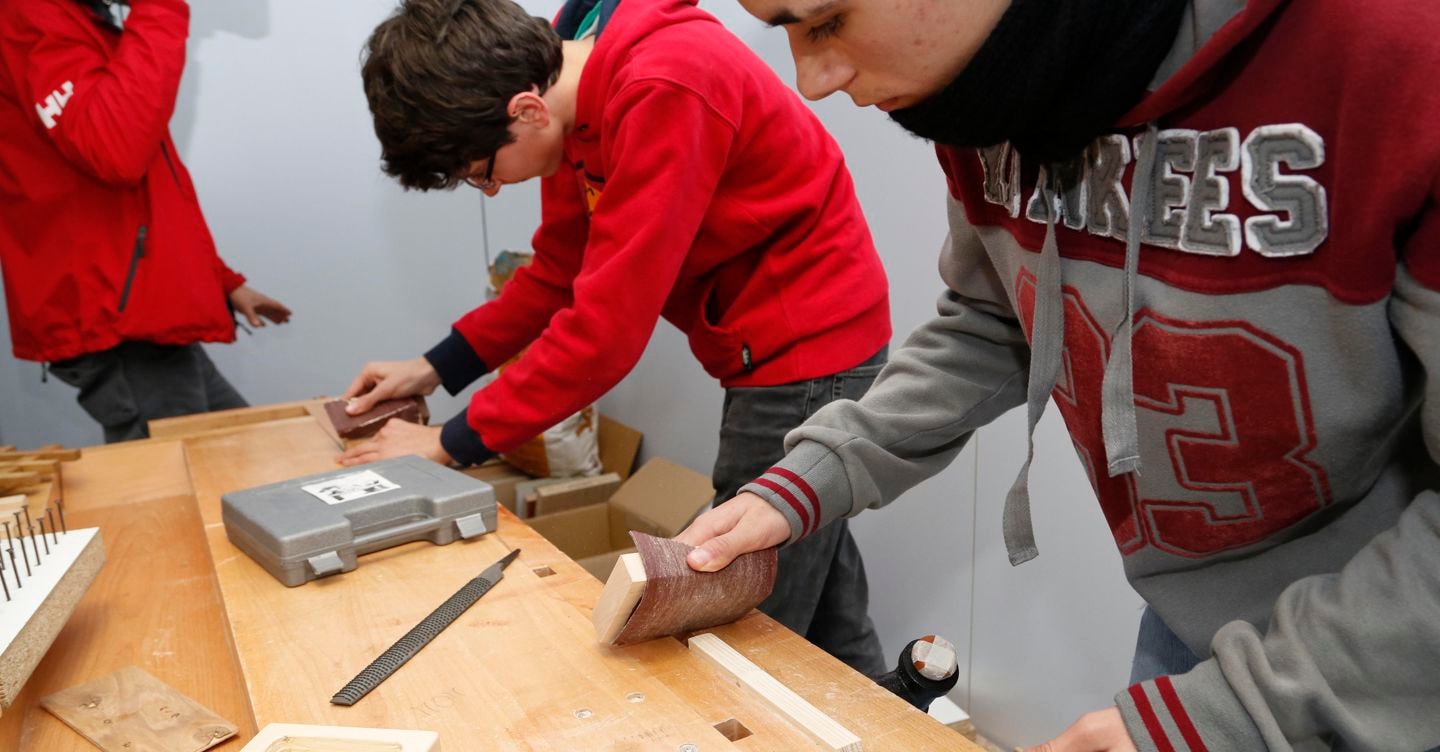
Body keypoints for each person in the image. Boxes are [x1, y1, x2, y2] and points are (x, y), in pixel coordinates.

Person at [677, 0, 1440, 749]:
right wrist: (812, 475)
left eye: (828, 20)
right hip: (1189, 633)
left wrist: (1222, 715)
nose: (812, 79)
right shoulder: (987, 99)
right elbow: (993, 317)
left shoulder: (1397, 54)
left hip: (1394, 653)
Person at [345, 0, 893, 675]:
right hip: (764, 346)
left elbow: (605, 331)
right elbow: (559, 273)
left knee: (743, 628)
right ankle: (899, 719)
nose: (489, 191)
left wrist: (450, 443)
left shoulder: (665, 86)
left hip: (812, 352)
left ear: (526, 112)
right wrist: (434, 368)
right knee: (819, 595)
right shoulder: (564, 75)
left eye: (481, 171)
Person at [0, 0, 292, 443]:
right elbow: (116, 151)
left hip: (140, 316)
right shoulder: (31, 13)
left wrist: (220, 279)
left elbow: (138, 196)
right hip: (121, 325)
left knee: (245, 467)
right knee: (193, 498)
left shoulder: (71, 18)